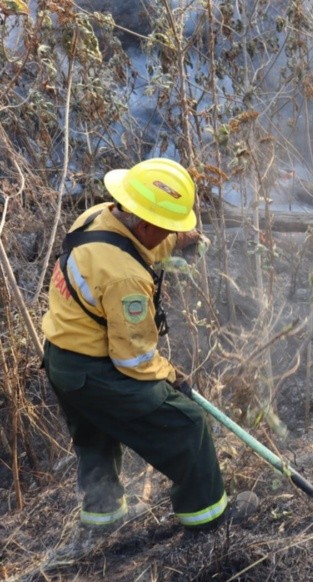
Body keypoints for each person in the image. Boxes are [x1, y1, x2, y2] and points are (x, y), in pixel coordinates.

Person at [42, 157, 241, 530]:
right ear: (147, 222)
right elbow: (133, 359)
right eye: (166, 228)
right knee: (188, 426)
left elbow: (133, 244)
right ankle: (209, 520)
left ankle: (102, 521)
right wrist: (170, 375)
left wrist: (178, 241)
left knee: (97, 439)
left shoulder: (99, 216)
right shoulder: (125, 280)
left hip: (62, 360)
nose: (169, 233)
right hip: (97, 370)